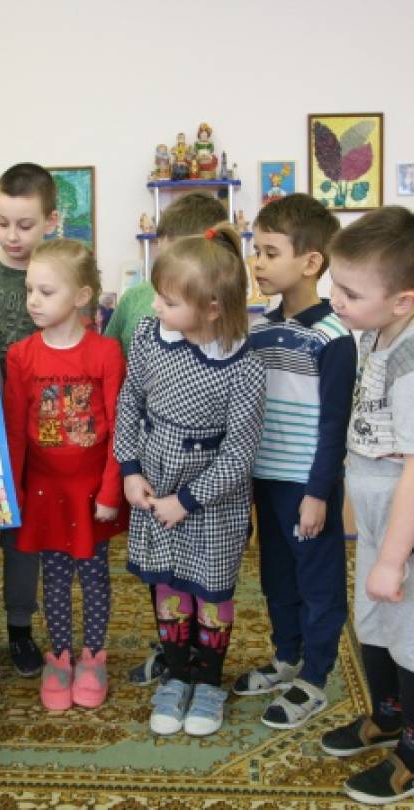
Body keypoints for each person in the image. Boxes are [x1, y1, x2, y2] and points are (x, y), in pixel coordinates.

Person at [318, 207, 414, 805]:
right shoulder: (377, 327)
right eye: (336, 282)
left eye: (350, 292)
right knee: (375, 624)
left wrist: (392, 557)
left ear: (404, 299)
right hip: (389, 520)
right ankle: (385, 717)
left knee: (411, 638)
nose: (337, 299)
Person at [114, 224, 266, 737]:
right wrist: (130, 469)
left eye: (169, 301)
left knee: (211, 591)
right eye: (158, 295)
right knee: (169, 585)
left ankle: (210, 682)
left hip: (211, 501)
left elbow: (239, 452)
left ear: (213, 308)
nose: (156, 307)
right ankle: (177, 676)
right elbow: (130, 400)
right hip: (156, 485)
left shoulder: (244, 365)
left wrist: (190, 500)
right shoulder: (148, 337)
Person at [233, 194, 356, 730]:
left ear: (310, 262)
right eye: (255, 251)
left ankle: (316, 675)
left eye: (269, 252)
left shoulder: (333, 337)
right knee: (277, 575)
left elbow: (334, 426)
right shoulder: (258, 329)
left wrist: (317, 493)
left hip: (309, 485)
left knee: (318, 581)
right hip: (266, 478)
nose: (257, 263)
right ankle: (287, 657)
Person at [103, 193, 229, 689]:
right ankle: (171, 653)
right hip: (153, 471)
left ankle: (205, 668)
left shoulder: (234, 350)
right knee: (163, 576)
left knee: (208, 576)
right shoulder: (140, 309)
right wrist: (127, 465)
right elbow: (123, 380)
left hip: (206, 486)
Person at [3, 239, 127, 711]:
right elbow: (16, 430)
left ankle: (93, 656)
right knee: (52, 578)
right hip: (43, 490)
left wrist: (111, 490)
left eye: (46, 291)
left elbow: (120, 429)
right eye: (29, 289)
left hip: (92, 491)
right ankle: (59, 657)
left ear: (80, 296)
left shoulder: (105, 353)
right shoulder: (21, 356)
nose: (33, 300)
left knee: (94, 575)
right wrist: (12, 491)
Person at [0, 162, 60, 678]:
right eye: (2, 222)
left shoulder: (57, 279)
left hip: (36, 436)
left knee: (24, 541)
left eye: (25, 225)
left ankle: (20, 628)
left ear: (51, 220)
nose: (12, 235)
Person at [104, 193, 227, 357]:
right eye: (162, 257)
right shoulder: (133, 299)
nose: (166, 269)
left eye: (177, 261)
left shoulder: (221, 303)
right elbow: (106, 360)